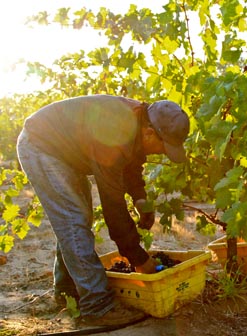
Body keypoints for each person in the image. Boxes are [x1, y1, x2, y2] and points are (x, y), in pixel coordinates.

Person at [16, 95, 190, 326]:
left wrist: (140, 199)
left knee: (76, 220)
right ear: (150, 132)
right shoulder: (115, 132)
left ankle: (68, 291)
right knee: (73, 220)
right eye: (164, 146)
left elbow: (132, 163)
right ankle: (97, 306)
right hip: (41, 145)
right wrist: (137, 256)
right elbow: (113, 205)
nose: (162, 153)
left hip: (66, 154)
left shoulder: (137, 121)